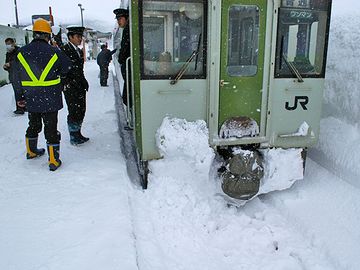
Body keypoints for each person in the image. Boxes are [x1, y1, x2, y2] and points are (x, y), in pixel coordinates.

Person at [12, 18, 71, 171]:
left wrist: (19, 97)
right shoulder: (55, 52)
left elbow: (15, 77)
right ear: (48, 35)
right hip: (50, 97)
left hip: (31, 97)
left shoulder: (21, 52)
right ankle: (53, 160)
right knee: (51, 128)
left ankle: (31, 151)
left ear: (34, 34)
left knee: (33, 124)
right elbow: (67, 68)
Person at [61, 26, 90, 145]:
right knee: (74, 110)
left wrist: (84, 81)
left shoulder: (77, 50)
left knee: (81, 109)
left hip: (79, 85)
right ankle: (73, 135)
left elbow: (79, 70)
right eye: (78, 37)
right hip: (71, 87)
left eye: (81, 37)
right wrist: (66, 83)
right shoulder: (64, 50)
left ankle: (78, 132)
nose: (80, 39)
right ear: (70, 37)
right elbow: (62, 70)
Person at [113, 8, 131, 106]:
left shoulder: (128, 30)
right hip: (127, 69)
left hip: (129, 69)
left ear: (126, 18)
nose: (118, 22)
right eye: (117, 19)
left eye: (120, 19)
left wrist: (120, 59)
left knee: (127, 97)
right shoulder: (127, 29)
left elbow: (125, 49)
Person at [3, 37, 25, 114]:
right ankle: (20, 107)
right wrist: (6, 67)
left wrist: (11, 64)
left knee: (20, 91)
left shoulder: (19, 51)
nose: (8, 46)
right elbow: (8, 64)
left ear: (13, 43)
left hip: (20, 75)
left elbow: (21, 63)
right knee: (17, 91)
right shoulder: (8, 54)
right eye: (6, 44)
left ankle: (22, 108)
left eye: (9, 44)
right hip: (13, 76)